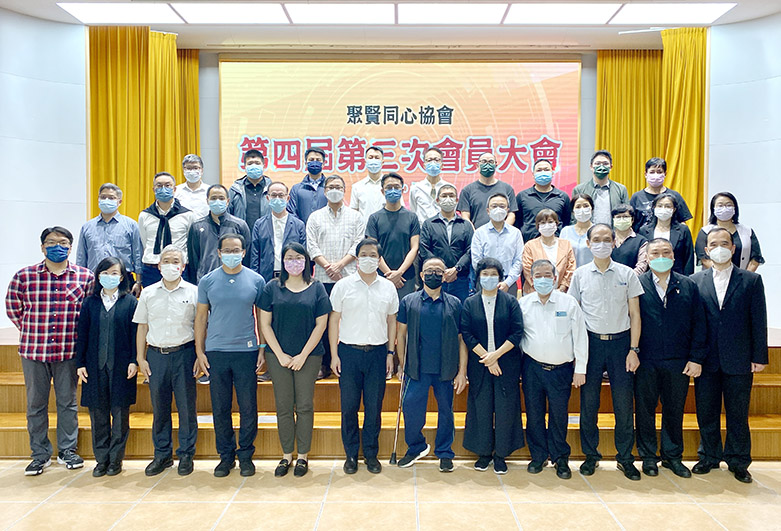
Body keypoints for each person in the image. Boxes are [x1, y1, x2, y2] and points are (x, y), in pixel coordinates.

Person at [5, 227, 93, 476]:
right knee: (35, 404)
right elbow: (13, 307)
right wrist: (31, 329)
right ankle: (40, 454)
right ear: (42, 247)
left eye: (63, 242)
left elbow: (87, 312)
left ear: (70, 247)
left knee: (68, 402)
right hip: (34, 350)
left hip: (68, 350)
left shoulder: (84, 276)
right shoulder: (24, 276)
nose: (57, 246)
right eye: (51, 242)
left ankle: (68, 450)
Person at [691, 227, 768, 484]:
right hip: (706, 359)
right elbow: (693, 323)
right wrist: (693, 357)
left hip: (739, 357)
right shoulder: (695, 280)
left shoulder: (751, 280)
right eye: (714, 244)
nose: (719, 248)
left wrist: (759, 356)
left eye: (725, 243)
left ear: (733, 248)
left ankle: (738, 461)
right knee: (707, 411)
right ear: (706, 249)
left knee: (738, 413)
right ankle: (709, 456)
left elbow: (758, 320)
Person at [568, 223, 644, 480]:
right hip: (591, 344)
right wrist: (577, 354)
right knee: (589, 404)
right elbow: (575, 315)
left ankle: (625, 458)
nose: (601, 244)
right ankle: (591, 456)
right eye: (596, 240)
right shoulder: (579, 275)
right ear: (588, 244)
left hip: (621, 344)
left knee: (624, 404)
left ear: (614, 243)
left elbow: (635, 314)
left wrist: (633, 349)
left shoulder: (627, 273)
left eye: (606, 239)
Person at [194, 233, 266, 478]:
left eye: (236, 250)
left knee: (248, 407)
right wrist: (199, 351)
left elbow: (262, 317)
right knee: (220, 407)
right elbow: (201, 318)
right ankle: (225, 457)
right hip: (216, 351)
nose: (232, 254)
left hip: (246, 351)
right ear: (219, 252)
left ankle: (246, 456)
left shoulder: (256, 280)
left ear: (244, 252)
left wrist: (262, 347)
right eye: (227, 250)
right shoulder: (207, 281)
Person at [635, 238, 706, 479]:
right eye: (655, 253)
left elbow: (699, 323)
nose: (661, 257)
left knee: (674, 410)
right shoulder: (637, 284)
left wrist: (696, 357)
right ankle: (648, 457)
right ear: (647, 258)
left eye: (666, 252)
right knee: (645, 410)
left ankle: (673, 456)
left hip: (678, 360)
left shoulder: (688, 285)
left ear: (674, 256)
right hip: (646, 359)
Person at [259, 244, 331, 478]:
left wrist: (302, 355)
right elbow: (265, 324)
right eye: (289, 258)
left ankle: (303, 456)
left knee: (304, 406)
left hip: (309, 356)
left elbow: (321, 324)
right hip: (277, 356)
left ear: (307, 261)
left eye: (298, 257)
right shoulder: (272, 287)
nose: (294, 262)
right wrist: (279, 354)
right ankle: (286, 455)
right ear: (282, 261)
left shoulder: (317, 288)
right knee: (283, 406)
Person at [329, 238, 399, 475]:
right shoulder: (343, 286)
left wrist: (390, 353)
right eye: (364, 255)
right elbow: (334, 321)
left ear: (379, 260)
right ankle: (351, 455)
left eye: (373, 255)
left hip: (377, 354)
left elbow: (392, 321)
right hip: (348, 353)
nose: (368, 258)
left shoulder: (388, 288)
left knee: (373, 407)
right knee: (349, 407)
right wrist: (334, 354)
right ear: (357, 258)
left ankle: (370, 453)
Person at [395, 257, 467, 472]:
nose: (433, 274)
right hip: (416, 367)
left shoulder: (455, 303)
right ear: (421, 275)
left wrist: (462, 371)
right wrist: (402, 364)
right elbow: (401, 334)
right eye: (429, 270)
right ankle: (416, 446)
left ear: (444, 276)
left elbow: (462, 339)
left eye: (438, 271)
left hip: (446, 368)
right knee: (410, 406)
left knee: (446, 411)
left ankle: (444, 452)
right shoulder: (409, 301)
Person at [133, 245, 199, 477]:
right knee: (160, 407)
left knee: (186, 408)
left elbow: (201, 326)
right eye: (167, 261)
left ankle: (186, 454)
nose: (171, 265)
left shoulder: (194, 292)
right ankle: (162, 454)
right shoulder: (148, 293)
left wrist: (200, 355)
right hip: (156, 356)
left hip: (185, 354)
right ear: (159, 266)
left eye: (176, 261)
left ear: (183, 266)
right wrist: (140, 357)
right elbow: (142, 326)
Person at [519, 259, 587, 479]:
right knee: (534, 414)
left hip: (561, 370)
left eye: (547, 275)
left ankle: (560, 458)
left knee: (559, 415)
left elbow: (580, 336)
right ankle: (538, 456)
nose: (543, 279)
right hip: (532, 368)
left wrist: (580, 368)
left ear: (555, 278)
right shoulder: (523, 304)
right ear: (531, 279)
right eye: (538, 276)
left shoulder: (569, 303)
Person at [460, 258, 525, 474]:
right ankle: (484, 453)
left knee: (506, 408)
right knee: (481, 407)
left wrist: (496, 356)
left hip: (506, 363)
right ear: (478, 277)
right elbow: (467, 333)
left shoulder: (510, 302)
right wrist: (487, 358)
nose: (489, 278)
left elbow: (517, 332)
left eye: (493, 274)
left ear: (500, 277)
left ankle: (501, 455)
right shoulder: (470, 303)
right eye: (485, 274)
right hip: (479, 364)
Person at [75, 257, 138, 477]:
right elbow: (82, 335)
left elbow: (135, 335)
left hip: (122, 367)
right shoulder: (89, 303)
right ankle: (101, 459)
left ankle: (115, 460)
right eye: (105, 273)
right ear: (98, 276)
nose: (109, 277)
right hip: (94, 366)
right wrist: (80, 363)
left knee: (120, 415)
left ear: (121, 278)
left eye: (114, 273)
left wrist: (134, 360)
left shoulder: (130, 302)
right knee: (98, 414)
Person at [307, 175, 366, 379]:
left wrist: (339, 265)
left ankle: (346, 362)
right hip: (322, 278)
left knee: (350, 319)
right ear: (324, 191)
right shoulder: (315, 217)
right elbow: (311, 246)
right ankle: (323, 364)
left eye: (338, 187)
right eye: (331, 187)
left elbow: (358, 244)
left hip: (347, 277)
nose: (334, 190)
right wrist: (328, 266)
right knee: (322, 322)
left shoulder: (355, 217)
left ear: (344, 190)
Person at [75, 183, 143, 296]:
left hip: (123, 279)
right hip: (94, 280)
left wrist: (139, 281)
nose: (106, 200)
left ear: (119, 201)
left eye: (111, 198)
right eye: (103, 197)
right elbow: (81, 257)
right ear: (98, 199)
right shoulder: (87, 227)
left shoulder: (131, 225)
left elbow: (138, 255)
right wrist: (80, 282)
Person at [366, 172, 421, 300]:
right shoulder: (374, 218)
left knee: (405, 310)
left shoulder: (412, 217)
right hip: (381, 275)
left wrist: (399, 273)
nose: (393, 190)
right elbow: (372, 250)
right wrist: (389, 274)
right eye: (389, 187)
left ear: (402, 190)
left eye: (396, 187)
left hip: (406, 276)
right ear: (382, 191)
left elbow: (414, 248)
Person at [138, 172, 194, 287]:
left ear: (174, 189)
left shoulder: (187, 215)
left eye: (167, 185)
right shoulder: (145, 215)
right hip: (151, 268)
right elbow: (144, 242)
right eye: (159, 186)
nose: (163, 189)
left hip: (178, 267)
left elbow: (190, 243)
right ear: (153, 189)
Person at [186, 184, 251, 284]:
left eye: (221, 198)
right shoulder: (197, 226)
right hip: (206, 280)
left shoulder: (240, 225)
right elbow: (193, 259)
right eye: (213, 198)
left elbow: (247, 256)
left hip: (235, 280)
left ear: (227, 201)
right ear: (207, 201)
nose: (217, 201)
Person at [419, 184, 474, 302]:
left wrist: (456, 269)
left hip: (460, 278)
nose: (448, 199)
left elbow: (470, 250)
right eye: (444, 196)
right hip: (436, 278)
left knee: (459, 309)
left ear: (457, 200)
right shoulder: (429, 224)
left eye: (451, 195)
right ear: (437, 200)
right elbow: (424, 249)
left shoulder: (466, 225)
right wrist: (441, 269)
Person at [250, 181, 307, 282]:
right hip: (266, 276)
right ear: (268, 198)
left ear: (287, 198)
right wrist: (255, 279)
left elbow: (303, 255)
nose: (277, 199)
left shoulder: (299, 225)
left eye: (281, 195)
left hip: (292, 276)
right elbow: (255, 255)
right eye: (273, 195)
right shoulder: (259, 224)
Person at [470, 193, 524, 297]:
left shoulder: (516, 233)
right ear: (488, 210)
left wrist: (507, 282)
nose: (498, 209)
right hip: (485, 281)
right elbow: (476, 261)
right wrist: (489, 278)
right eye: (494, 206)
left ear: (507, 210)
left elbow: (519, 260)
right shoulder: (479, 233)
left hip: (509, 283)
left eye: (502, 206)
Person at [695, 192, 764, 272]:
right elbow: (704, 258)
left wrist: (744, 276)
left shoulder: (747, 231)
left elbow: (755, 258)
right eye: (720, 205)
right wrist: (724, 274)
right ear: (713, 209)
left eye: (729, 205)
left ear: (735, 208)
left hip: (743, 277)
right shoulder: (705, 231)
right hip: (715, 276)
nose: (724, 208)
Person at [456, 151, 518, 228]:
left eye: (491, 162)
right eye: (484, 161)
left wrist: (503, 231)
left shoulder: (507, 188)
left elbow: (511, 214)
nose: (487, 164)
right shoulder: (467, 190)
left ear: (496, 165)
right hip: (476, 233)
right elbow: (465, 216)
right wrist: (475, 233)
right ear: (477, 165)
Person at [521, 209, 576, 295]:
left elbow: (571, 268)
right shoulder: (530, 246)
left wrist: (562, 288)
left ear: (556, 224)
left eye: (550, 222)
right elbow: (527, 269)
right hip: (534, 292)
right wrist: (541, 289)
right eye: (543, 223)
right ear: (537, 226)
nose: (547, 226)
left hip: (561, 293)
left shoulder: (566, 244)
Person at [514, 159, 571, 241]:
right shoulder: (522, 196)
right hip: (528, 244)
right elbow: (517, 222)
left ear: (552, 173)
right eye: (539, 170)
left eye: (546, 170)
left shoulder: (563, 196)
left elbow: (566, 222)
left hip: (556, 244)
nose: (543, 172)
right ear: (533, 174)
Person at [629, 157, 692, 231]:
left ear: (665, 174)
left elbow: (682, 222)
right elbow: (630, 222)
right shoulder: (637, 197)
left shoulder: (675, 196)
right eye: (652, 172)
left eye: (659, 172)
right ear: (645, 174)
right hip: (643, 237)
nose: (655, 175)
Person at [638, 194, 694, 275]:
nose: (663, 209)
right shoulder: (644, 230)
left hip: (677, 275)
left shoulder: (683, 230)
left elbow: (689, 257)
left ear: (674, 209)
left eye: (667, 206)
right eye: (660, 206)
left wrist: (687, 279)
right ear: (654, 208)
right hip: (650, 275)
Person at [571, 150, 628, 226]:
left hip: (613, 232)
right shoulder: (579, 189)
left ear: (611, 167)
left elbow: (627, 214)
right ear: (591, 167)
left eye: (605, 163)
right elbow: (574, 217)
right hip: (588, 231)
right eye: (597, 163)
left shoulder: (621, 189)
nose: (601, 166)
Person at [228, 149, 273, 234]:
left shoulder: (272, 189)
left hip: (266, 236)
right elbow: (228, 215)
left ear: (263, 166)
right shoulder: (235, 190)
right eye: (250, 163)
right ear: (244, 167)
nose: (254, 166)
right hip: (240, 237)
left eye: (257, 163)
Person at [409, 147, 454, 224]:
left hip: (444, 227)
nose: (433, 163)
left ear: (442, 165)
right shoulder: (416, 188)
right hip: (422, 229)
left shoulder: (449, 188)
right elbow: (413, 211)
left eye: (436, 160)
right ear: (424, 165)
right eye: (429, 160)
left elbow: (452, 211)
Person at [349, 145, 392, 222]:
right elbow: (353, 213)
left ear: (382, 162)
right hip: (365, 229)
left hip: (387, 228)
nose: (373, 160)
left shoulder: (391, 186)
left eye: (377, 158)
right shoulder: (357, 187)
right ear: (365, 162)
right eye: (370, 157)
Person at [288, 147, 328, 224]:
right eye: (311, 160)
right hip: (303, 230)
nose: (314, 162)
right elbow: (291, 213)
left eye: (318, 160)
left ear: (323, 164)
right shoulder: (296, 189)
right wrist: (301, 228)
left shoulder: (330, 188)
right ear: (306, 163)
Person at [611, 204, 649, 275]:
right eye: (618, 217)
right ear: (613, 219)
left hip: (632, 279)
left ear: (632, 220)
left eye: (625, 217)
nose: (622, 220)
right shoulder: (607, 239)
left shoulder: (641, 241)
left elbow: (641, 267)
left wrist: (627, 279)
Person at [560, 193, 594, 267]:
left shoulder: (598, 231)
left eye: (586, 206)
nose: (582, 210)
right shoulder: (565, 231)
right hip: (570, 272)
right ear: (573, 211)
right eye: (578, 207)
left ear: (592, 208)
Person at [175, 154, 209, 219]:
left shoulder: (209, 191)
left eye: (195, 168)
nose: (192, 171)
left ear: (202, 170)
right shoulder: (176, 191)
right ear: (183, 170)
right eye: (188, 168)